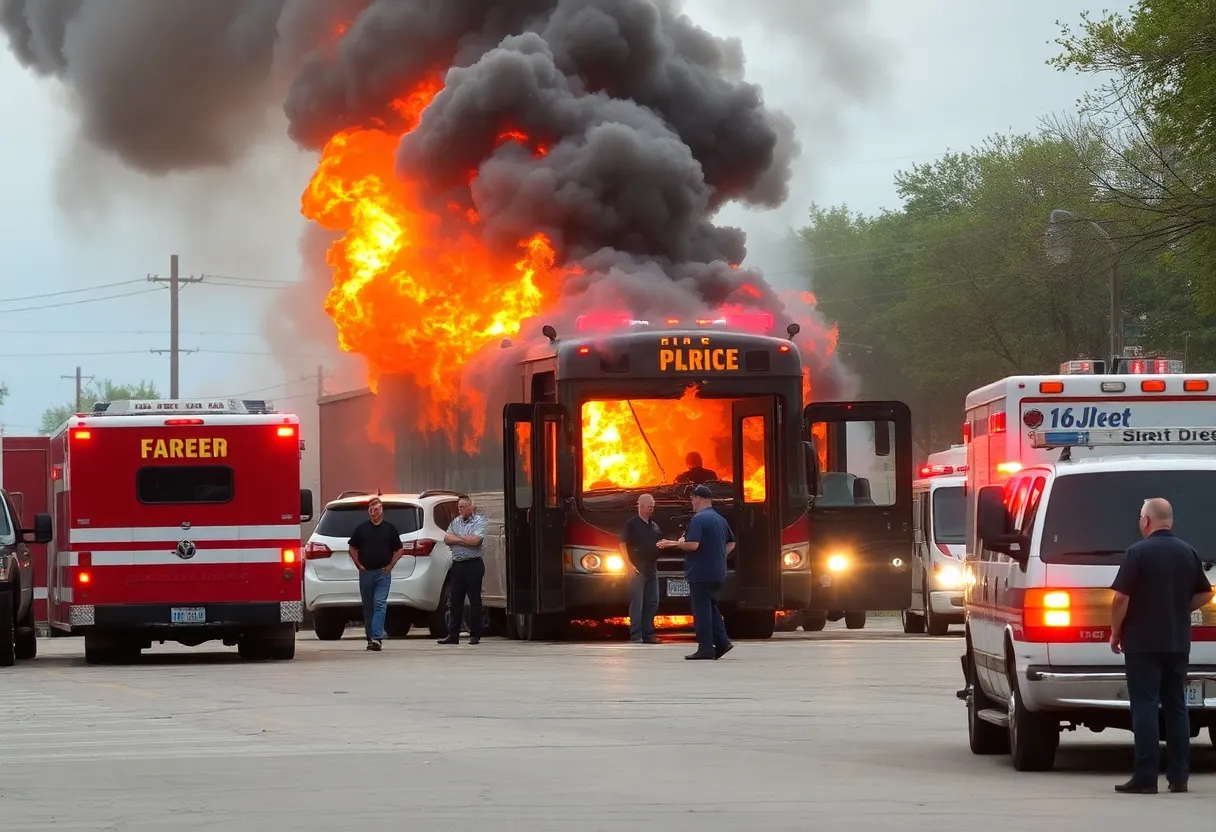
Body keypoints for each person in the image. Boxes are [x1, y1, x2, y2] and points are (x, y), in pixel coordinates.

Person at [1110, 497, 1213, 794]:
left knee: (1144, 706)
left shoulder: (1137, 552)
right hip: (1177, 642)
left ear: (1146, 520)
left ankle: (1145, 777)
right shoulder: (1188, 552)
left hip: (1142, 642)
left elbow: (1121, 597)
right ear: (1171, 521)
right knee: (1176, 706)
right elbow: (1206, 593)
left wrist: (1115, 632)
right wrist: (1179, 607)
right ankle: (1179, 777)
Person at [659, 484, 735, 660]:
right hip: (717, 571)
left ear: (698, 498)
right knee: (711, 607)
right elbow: (732, 543)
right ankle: (723, 642)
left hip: (700, 572)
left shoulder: (698, 519)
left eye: (692, 498)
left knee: (701, 611)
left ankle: (705, 648)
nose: (692, 502)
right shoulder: (719, 519)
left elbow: (693, 545)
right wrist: (719, 555)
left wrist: (676, 543)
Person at [348, 497, 405, 652]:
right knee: (368, 607)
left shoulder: (389, 529)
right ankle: (370, 638)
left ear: (382, 511)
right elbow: (352, 547)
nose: (373, 513)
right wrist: (359, 565)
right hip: (366, 573)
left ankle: (376, 638)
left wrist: (391, 565)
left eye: (376, 510)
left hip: (383, 574)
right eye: (371, 510)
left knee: (380, 604)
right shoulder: (362, 529)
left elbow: (400, 549)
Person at [440, 495, 487, 645]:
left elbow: (476, 541)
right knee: (455, 600)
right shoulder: (455, 522)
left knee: (474, 600)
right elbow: (447, 539)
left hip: (473, 564)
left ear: (470, 507)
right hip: (458, 565)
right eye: (459, 507)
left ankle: (475, 634)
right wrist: (464, 539)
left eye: (463, 507)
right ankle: (453, 634)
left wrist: (458, 539)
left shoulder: (479, 521)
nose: (460, 510)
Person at [620, 494, 661, 644]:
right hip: (637, 569)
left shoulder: (654, 526)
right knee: (637, 602)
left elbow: (657, 543)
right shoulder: (631, 524)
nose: (652, 509)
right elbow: (622, 544)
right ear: (641, 505)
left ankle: (648, 634)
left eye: (653, 506)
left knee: (652, 601)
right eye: (649, 506)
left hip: (652, 569)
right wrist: (628, 565)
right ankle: (636, 634)